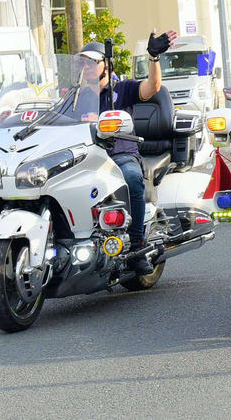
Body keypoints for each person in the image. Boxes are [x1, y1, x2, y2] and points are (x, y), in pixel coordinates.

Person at [78, 29, 176, 276]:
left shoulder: (123, 89)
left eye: (93, 62)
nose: (87, 67)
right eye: (83, 62)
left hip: (120, 156)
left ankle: (137, 245)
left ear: (106, 64)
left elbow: (152, 87)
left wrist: (153, 57)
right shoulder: (77, 97)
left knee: (132, 178)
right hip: (86, 158)